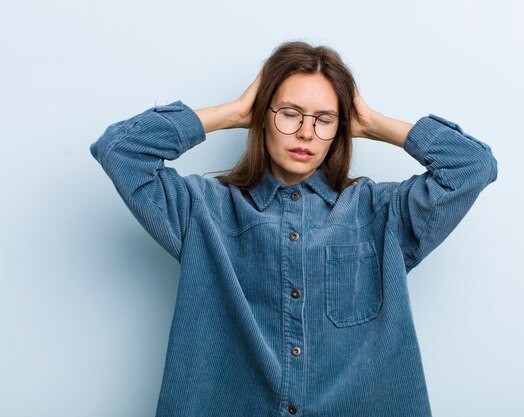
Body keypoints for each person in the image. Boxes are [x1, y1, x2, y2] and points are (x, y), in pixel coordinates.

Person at [90, 41, 498, 417]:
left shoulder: (382, 213)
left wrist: (373, 123)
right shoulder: (202, 211)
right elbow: (120, 151)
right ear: (262, 117)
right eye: (289, 113)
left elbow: (472, 166)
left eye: (324, 119)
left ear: (341, 129)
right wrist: (232, 113)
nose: (306, 132)